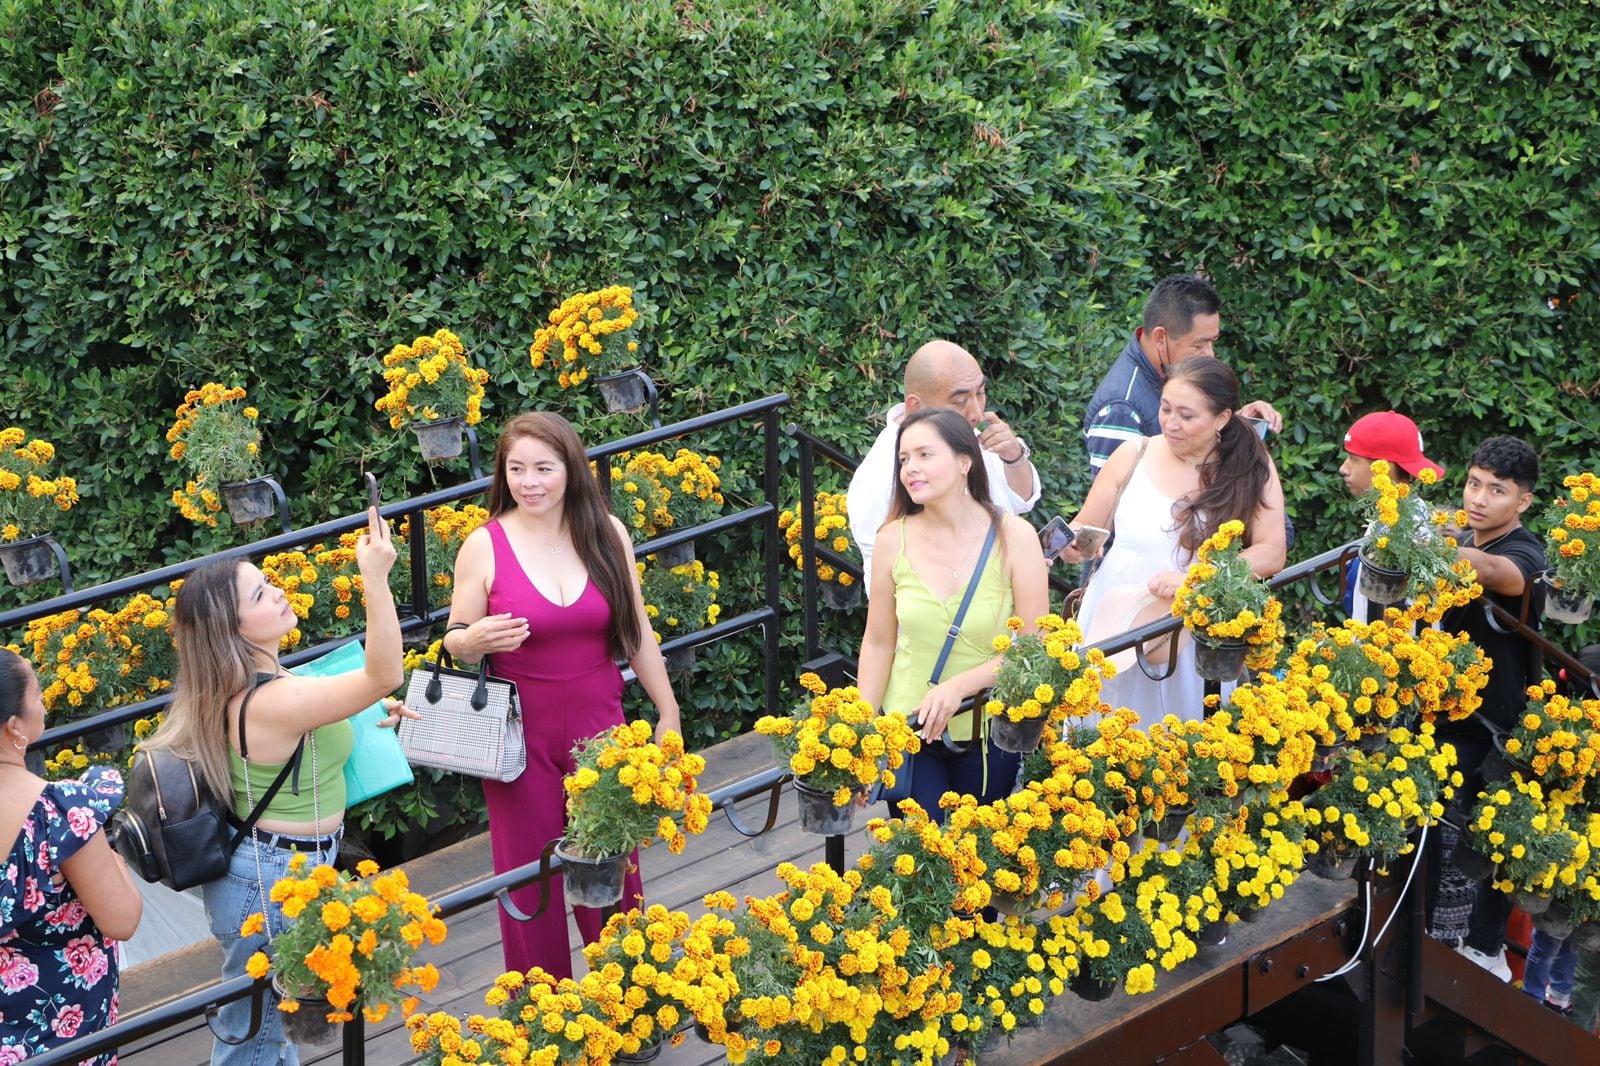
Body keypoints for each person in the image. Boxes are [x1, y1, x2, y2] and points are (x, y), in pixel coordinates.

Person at [143, 506, 411, 1066]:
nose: (280, 592)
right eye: (262, 593)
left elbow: (325, 718)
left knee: (269, 1033)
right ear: (234, 628)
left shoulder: (265, 679)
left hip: (286, 869)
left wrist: (363, 713)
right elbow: (383, 672)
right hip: (268, 884)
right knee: (254, 1039)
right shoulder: (267, 698)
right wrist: (375, 579)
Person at [442, 412, 681, 979]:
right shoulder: (484, 545)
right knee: (531, 883)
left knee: (616, 870)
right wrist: (470, 640)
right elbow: (456, 641)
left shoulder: (607, 534)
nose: (530, 482)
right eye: (517, 469)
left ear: (570, 469)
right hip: (519, 738)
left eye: (544, 468)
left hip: (604, 733)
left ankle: (630, 997)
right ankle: (543, 1014)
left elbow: (637, 630)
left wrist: (668, 709)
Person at [1064, 357, 1286, 726]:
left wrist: (1200, 578)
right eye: (1166, 409)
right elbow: (1086, 526)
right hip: (1113, 620)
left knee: (1179, 740)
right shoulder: (1134, 452)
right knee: (1098, 733)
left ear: (1222, 418)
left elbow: (1272, 550)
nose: (1171, 423)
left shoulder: (1250, 464)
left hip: (1190, 625)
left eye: (1186, 415)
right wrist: (1074, 544)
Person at [856, 408, 1049, 824]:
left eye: (925, 455)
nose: (910, 468)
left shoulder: (1014, 536)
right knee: (923, 860)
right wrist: (861, 731)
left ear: (965, 462)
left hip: (988, 726)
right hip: (908, 726)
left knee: (977, 859)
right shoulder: (892, 539)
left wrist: (959, 686)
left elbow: (1036, 647)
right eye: (904, 459)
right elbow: (878, 641)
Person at [1430, 437, 1547, 980]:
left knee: (1482, 837)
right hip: (1441, 712)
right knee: (1436, 831)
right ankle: (1434, 938)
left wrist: (1435, 546)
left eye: (1496, 491)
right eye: (1473, 483)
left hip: (1494, 726)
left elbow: (1500, 573)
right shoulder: (1460, 530)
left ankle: (1481, 950)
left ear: (1522, 502)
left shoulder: (1528, 553)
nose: (1478, 498)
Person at [0, 649, 143, 1063]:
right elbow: (122, 919)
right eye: (38, 695)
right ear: (14, 727)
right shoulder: (56, 812)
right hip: (65, 1031)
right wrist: (110, 856)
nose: (44, 704)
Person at [847, 340, 1040, 588]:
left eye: (980, 393)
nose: (976, 413)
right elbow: (886, 580)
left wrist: (1014, 456)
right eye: (960, 401)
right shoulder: (879, 477)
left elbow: (1022, 499)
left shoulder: (974, 433)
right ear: (915, 406)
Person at [1084, 274, 1282, 474]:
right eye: (1198, 345)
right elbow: (1116, 499)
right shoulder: (1121, 408)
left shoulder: (1170, 374)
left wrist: (1237, 425)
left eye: (1213, 341)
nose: (1210, 354)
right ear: (1160, 338)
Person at [1337, 411, 1446, 622]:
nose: (1343, 468)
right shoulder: (1393, 516)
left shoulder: (1409, 530)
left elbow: (1401, 617)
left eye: (1353, 459)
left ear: (1384, 469)